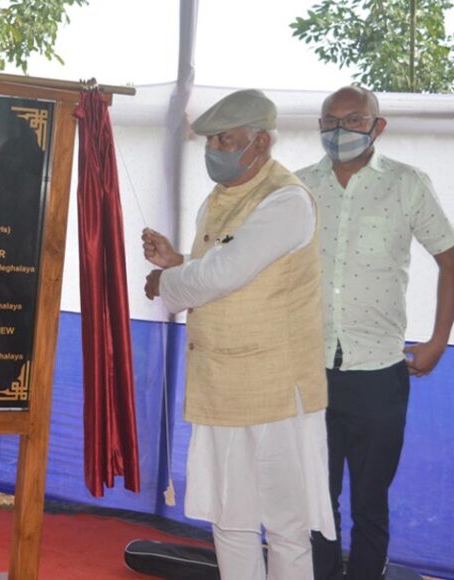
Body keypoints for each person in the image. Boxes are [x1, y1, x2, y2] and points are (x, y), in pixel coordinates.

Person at [141, 89, 335, 579]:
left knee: (286, 527)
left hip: (273, 389)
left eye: (226, 140)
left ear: (261, 142)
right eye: (211, 141)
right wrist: (178, 262)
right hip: (222, 384)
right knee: (230, 520)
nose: (214, 150)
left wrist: (165, 282)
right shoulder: (222, 197)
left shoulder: (286, 199)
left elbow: (226, 273)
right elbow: (235, 266)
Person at [296, 86, 454, 580]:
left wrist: (436, 340)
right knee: (315, 502)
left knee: (370, 500)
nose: (339, 130)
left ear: (376, 126)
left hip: (379, 374)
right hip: (308, 371)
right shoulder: (298, 188)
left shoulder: (407, 184)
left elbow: (450, 260)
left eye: (353, 120)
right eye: (329, 121)